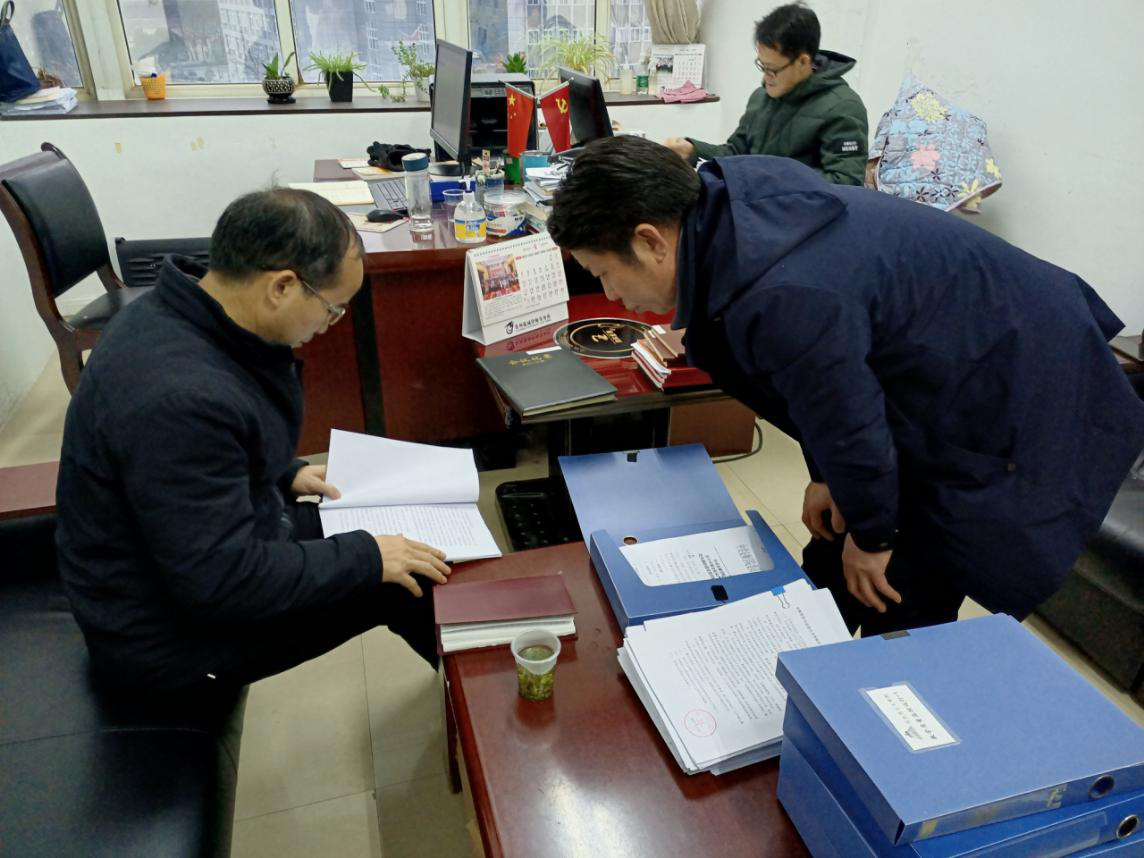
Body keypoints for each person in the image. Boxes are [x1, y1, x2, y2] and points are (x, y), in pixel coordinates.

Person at [547, 135, 1144, 635]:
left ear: (651, 240)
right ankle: (817, 647)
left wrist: (875, 536)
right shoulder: (728, 213)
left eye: (605, 273)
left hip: (1015, 378)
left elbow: (850, 420)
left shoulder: (784, 293)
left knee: (906, 581)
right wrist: (827, 476)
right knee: (838, 549)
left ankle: (888, 686)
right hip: (937, 361)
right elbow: (819, 394)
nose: (613, 294)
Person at [55, 189, 451, 696]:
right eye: (332, 310)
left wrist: (284, 471)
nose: (330, 326)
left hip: (196, 553)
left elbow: (196, 463)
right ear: (281, 286)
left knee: (409, 543)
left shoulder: (168, 313)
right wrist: (367, 560)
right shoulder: (182, 400)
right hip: (166, 635)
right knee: (405, 582)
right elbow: (223, 581)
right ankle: (485, 717)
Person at [663, 2, 868, 186]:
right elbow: (736, 153)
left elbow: (846, 184)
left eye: (772, 69)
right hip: (754, 206)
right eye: (762, 66)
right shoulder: (761, 98)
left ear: (803, 62)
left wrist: (769, 177)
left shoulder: (843, 108)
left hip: (799, 213)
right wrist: (693, 150)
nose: (766, 77)